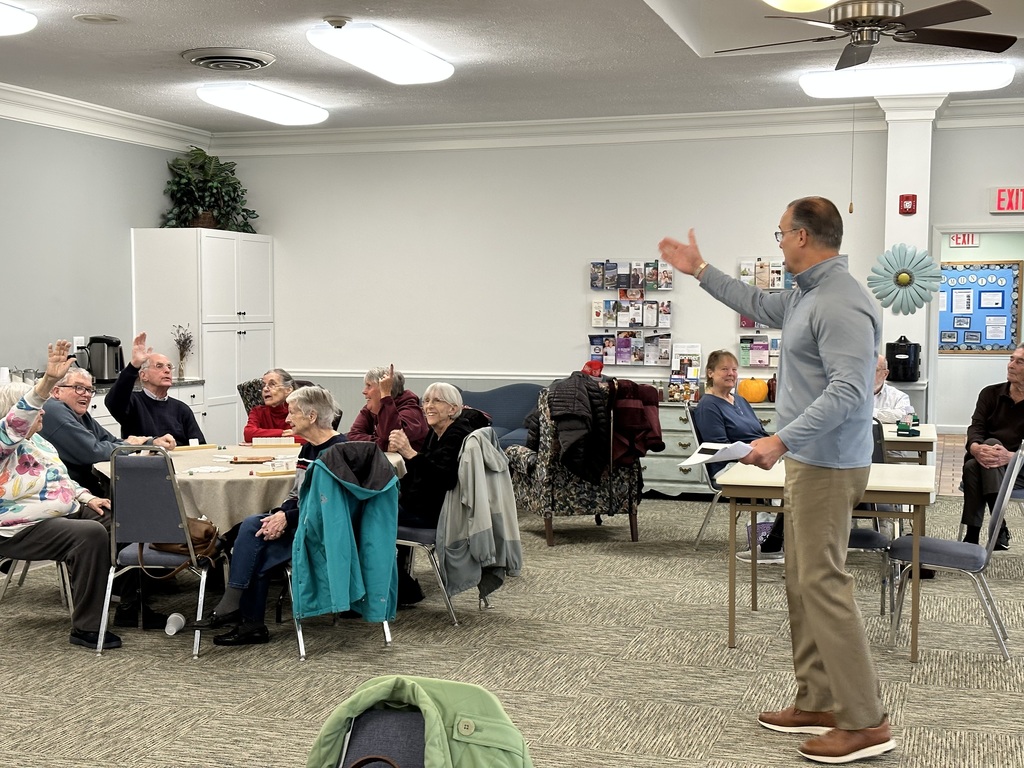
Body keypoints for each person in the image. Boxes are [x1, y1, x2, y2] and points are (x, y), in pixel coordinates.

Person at [659, 196, 892, 764]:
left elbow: (848, 392)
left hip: (827, 463)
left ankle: (865, 721)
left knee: (824, 582)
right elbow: (757, 302)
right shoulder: (809, 295)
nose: (778, 241)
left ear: (805, 237)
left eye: (782, 233)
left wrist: (781, 439)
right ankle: (816, 699)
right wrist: (700, 270)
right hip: (811, 460)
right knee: (802, 578)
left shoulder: (841, 302)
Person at [192, 386, 346, 646]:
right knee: (253, 526)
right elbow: (297, 496)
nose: (286, 419)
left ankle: (243, 615)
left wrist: (287, 518)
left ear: (311, 417)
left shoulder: (339, 451)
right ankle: (246, 619)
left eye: (292, 413)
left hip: (321, 532)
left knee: (253, 542)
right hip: (301, 524)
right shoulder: (308, 449)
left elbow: (331, 506)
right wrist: (281, 515)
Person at [0, 340, 121, 650]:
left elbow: (61, 480)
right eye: (37, 410)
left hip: (57, 514)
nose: (44, 414)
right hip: (19, 528)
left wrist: (86, 498)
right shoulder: (4, 446)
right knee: (89, 533)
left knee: (111, 517)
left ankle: (126, 599)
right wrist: (48, 382)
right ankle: (86, 627)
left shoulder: (40, 443)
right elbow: (17, 422)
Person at [387, 383, 490, 604]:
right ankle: (401, 587)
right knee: (380, 504)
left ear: (453, 409)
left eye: (436, 401)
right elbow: (422, 474)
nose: (428, 406)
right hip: (427, 504)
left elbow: (445, 479)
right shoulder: (438, 431)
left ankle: (399, 588)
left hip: (439, 512)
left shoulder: (457, 435)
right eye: (426, 401)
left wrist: (409, 452)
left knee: (369, 518)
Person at [692, 350, 780, 563]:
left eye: (734, 369)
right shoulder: (708, 405)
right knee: (785, 481)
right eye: (724, 369)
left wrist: (775, 447)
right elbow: (719, 448)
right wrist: (759, 454)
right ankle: (771, 545)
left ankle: (789, 538)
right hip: (729, 466)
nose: (731, 373)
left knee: (800, 469)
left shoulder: (740, 400)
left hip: (757, 457)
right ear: (710, 373)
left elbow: (760, 433)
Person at [40, 366, 175, 496]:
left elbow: (110, 441)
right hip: (71, 493)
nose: (86, 395)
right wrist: (131, 445)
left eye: (89, 389)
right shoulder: (53, 410)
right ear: (57, 392)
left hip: (89, 487)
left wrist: (151, 442)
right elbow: (94, 451)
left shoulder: (79, 414)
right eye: (79, 388)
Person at [959, 343, 1024, 550]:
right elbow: (975, 427)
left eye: (1019, 362)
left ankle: (972, 536)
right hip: (983, 460)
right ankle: (999, 528)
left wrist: (1012, 457)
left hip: (1020, 470)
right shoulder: (990, 393)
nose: (1010, 365)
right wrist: (976, 448)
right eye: (1011, 359)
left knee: (973, 467)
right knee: (985, 450)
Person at [104, 331, 205, 445]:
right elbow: (113, 401)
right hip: (145, 461)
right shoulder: (133, 403)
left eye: (169, 366)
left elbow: (200, 445)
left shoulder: (181, 409)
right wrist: (134, 366)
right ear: (143, 375)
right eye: (159, 366)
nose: (167, 370)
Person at [347, 365, 428, 452]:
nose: (364, 391)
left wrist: (385, 396)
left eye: (369, 386)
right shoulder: (372, 408)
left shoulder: (411, 411)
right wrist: (384, 446)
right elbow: (352, 436)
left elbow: (389, 435)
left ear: (386, 389)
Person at [243, 368, 306, 443]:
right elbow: (248, 434)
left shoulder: (300, 410)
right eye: (263, 385)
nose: (265, 389)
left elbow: (308, 438)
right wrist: (282, 433)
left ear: (288, 390)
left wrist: (265, 436)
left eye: (272, 384)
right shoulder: (257, 411)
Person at [872, 355, 914, 424]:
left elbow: (906, 417)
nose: (869, 374)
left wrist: (872, 412)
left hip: (886, 434)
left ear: (885, 374)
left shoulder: (899, 397)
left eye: (875, 370)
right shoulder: (855, 393)